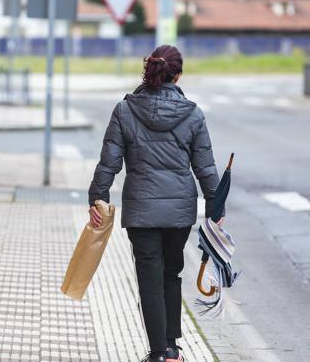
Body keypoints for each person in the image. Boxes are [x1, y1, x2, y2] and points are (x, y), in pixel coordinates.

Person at [87, 45, 222, 362]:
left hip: (142, 210)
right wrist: (216, 209)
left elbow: (109, 161)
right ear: (179, 74)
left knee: (150, 279)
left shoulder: (125, 110)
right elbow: (206, 167)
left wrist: (98, 196)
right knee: (171, 276)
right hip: (178, 213)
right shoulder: (193, 113)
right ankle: (172, 348)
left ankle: (159, 353)